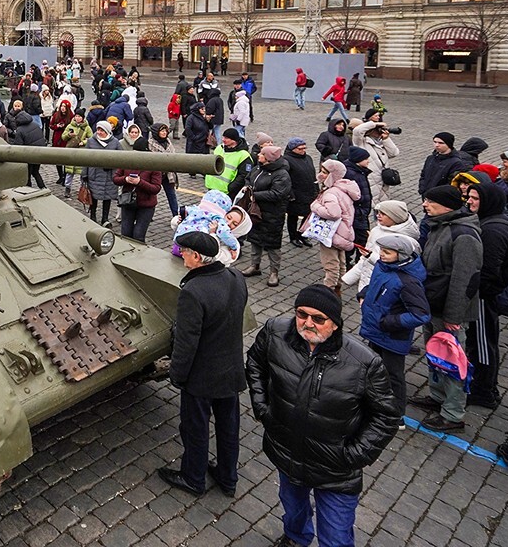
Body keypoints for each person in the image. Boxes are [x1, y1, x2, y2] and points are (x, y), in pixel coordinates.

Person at [247, 285, 400, 547]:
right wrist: (262, 408)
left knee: (336, 537)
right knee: (293, 510)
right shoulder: (275, 332)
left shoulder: (364, 363)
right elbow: (255, 364)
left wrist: (353, 455)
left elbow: (386, 416)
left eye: (318, 318)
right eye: (301, 314)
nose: (308, 323)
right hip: (288, 454)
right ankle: (295, 538)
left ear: (336, 324)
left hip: (335, 471)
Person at [158, 230, 248, 497]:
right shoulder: (235, 277)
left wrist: (177, 374)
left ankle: (193, 477)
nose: (181, 256)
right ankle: (227, 477)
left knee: (195, 428)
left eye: (184, 252)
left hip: (202, 376)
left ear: (196, 257)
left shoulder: (193, 292)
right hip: (231, 368)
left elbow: (187, 342)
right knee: (228, 427)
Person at [408, 185, 481, 431]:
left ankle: (453, 414)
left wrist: (453, 316)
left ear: (446, 205)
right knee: (435, 355)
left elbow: (465, 280)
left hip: (449, 312)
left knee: (451, 362)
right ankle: (437, 397)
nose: (425, 205)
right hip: (433, 305)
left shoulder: (464, 235)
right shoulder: (440, 225)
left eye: (429, 201)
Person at [357, 233, 430, 422]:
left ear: (401, 255)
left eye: (387, 252)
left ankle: (397, 415)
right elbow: (374, 286)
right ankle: (374, 403)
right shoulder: (383, 267)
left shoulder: (408, 281)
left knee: (393, 376)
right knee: (374, 369)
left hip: (392, 337)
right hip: (375, 331)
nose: (381, 255)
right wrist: (363, 295)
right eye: (382, 250)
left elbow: (420, 314)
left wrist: (388, 323)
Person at [464, 183, 508, 411]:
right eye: (469, 196)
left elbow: (488, 271)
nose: (469, 201)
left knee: (483, 342)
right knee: (480, 340)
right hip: (486, 294)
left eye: (475, 198)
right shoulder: (492, 220)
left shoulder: (493, 230)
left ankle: (484, 391)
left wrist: (475, 292)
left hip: (485, 297)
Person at [241, 145, 292, 287]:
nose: (258, 155)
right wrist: (247, 186)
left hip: (272, 214)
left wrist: (253, 194)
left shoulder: (282, 174)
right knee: (255, 239)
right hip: (256, 211)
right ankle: (254, 265)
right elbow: (248, 178)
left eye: (262, 154)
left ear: (269, 158)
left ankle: (274, 272)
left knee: (272, 244)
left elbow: (278, 194)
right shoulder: (258, 168)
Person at [308, 159, 360, 293]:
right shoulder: (343, 188)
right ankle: (338, 288)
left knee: (330, 264)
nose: (321, 174)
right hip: (343, 232)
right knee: (341, 261)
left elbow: (333, 213)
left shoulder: (331, 193)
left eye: (325, 172)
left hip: (332, 233)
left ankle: (328, 291)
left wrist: (315, 206)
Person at [113, 140, 162, 241]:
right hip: (128, 203)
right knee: (125, 233)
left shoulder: (154, 165)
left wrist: (140, 182)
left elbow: (156, 188)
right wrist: (125, 179)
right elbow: (115, 179)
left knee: (138, 236)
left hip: (146, 205)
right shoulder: (127, 161)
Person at [81, 120, 119, 225]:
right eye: (98, 129)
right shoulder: (91, 141)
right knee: (93, 196)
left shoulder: (115, 142)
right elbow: (85, 159)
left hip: (109, 176)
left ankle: (105, 219)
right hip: (94, 174)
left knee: (107, 198)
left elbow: (120, 158)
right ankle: (92, 216)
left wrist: (111, 166)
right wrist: (84, 174)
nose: (99, 132)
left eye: (101, 130)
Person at [352, 120, 399, 202]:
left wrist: (386, 139)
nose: (379, 131)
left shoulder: (381, 142)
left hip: (383, 180)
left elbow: (394, 153)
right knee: (371, 203)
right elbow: (357, 131)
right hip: (370, 179)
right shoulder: (361, 142)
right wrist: (374, 124)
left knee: (382, 207)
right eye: (377, 129)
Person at [9, 109, 47, 189]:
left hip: (28, 155)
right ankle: (43, 187)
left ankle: (28, 189)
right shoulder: (35, 125)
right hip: (39, 152)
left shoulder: (20, 130)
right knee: (36, 172)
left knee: (27, 174)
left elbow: (18, 146)